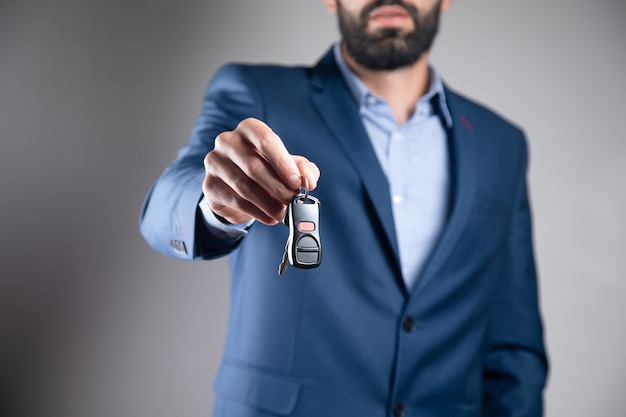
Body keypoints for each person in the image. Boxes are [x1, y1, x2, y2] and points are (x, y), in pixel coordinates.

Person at [140, 0, 549, 415]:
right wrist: (216, 202)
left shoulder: (502, 144)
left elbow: (513, 349)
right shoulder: (257, 93)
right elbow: (166, 205)